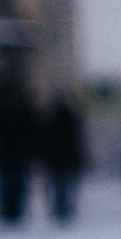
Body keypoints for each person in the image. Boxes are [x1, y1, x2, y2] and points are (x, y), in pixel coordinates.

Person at [38, 97, 84, 226]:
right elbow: (76, 144)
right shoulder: (71, 123)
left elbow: (44, 142)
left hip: (55, 161)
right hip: (66, 160)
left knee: (57, 185)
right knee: (66, 185)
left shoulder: (50, 123)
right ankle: (65, 208)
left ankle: (58, 207)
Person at [0, 81, 32, 226]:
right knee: (7, 184)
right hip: (7, 154)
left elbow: (31, 134)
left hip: (18, 155)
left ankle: (15, 211)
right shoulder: (8, 111)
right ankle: (8, 210)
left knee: (18, 183)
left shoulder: (23, 111)